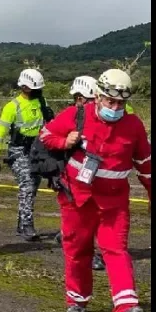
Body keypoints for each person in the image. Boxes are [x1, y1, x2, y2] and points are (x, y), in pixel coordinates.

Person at [39, 69, 151, 312]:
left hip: (114, 201)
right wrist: (64, 140)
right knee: (78, 250)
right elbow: (45, 135)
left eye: (121, 103)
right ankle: (77, 300)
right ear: (98, 97)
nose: (115, 108)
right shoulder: (77, 115)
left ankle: (126, 308)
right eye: (110, 102)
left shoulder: (133, 126)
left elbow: (145, 165)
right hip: (77, 198)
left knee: (116, 249)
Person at [0, 69, 54, 241]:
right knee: (27, 183)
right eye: (34, 88)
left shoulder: (42, 102)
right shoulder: (12, 107)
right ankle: (27, 224)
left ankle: (21, 223)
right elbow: (0, 132)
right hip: (18, 151)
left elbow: (48, 127)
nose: (38, 91)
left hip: (37, 150)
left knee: (33, 187)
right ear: (24, 87)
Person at [53, 76, 106, 272]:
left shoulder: (108, 116)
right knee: (81, 215)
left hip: (102, 177)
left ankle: (86, 247)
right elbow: (49, 137)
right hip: (76, 178)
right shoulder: (73, 116)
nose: (80, 103)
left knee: (97, 216)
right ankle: (89, 251)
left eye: (81, 98)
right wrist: (65, 141)